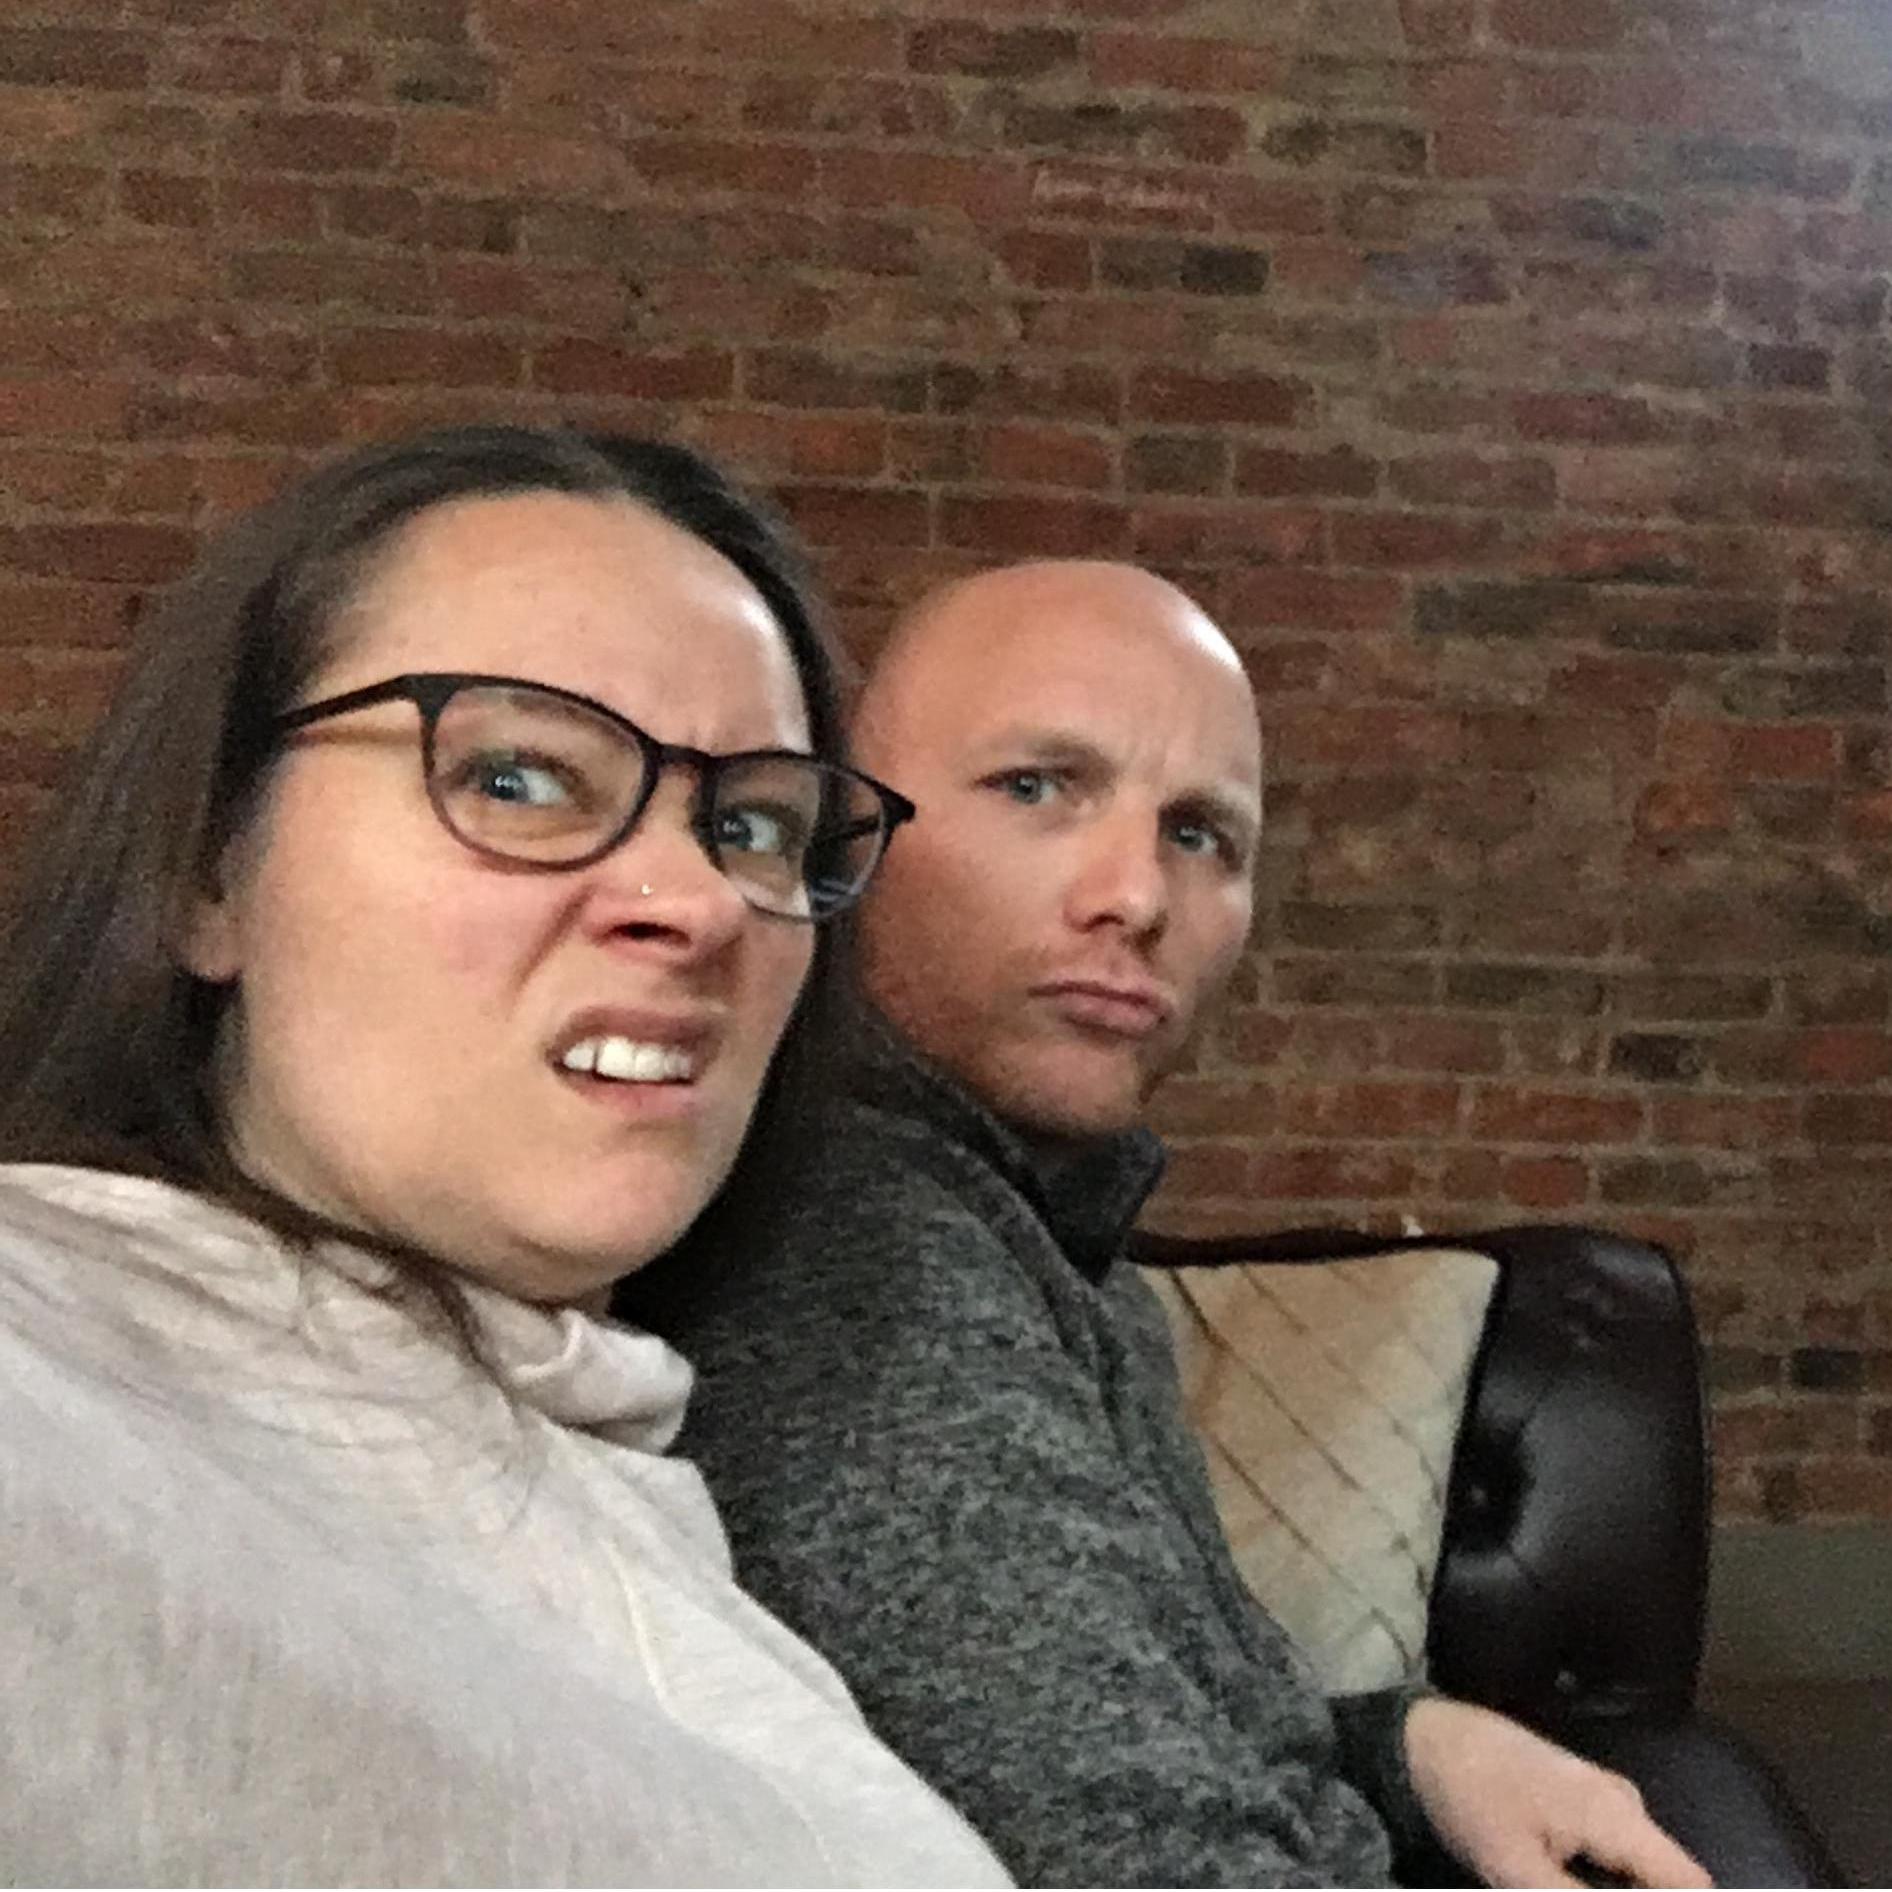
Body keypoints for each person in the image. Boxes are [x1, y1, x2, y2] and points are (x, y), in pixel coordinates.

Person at [0, 424, 1008, 1885]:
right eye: (521, 778)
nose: (698, 903)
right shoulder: (48, 1375)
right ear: (209, 866)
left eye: (751, 822)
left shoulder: (658, 1482)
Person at [619, 559, 1713, 1889]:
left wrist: (1412, 1745)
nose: (1136, 897)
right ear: (845, 835)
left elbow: (1167, 1730)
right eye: (1037, 788)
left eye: (1200, 834)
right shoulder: (861, 1264)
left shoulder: (1040, 1227)